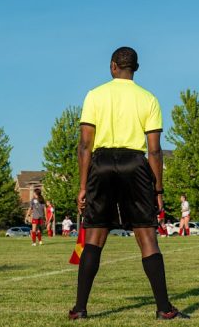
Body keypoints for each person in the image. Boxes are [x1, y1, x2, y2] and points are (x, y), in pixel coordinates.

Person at [70, 47, 187, 320]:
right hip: (135, 164)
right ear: (136, 68)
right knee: (147, 237)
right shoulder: (149, 99)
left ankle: (80, 309)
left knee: (94, 237)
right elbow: (155, 150)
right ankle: (163, 309)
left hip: (101, 163)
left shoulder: (94, 95)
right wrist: (158, 189)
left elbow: (85, 145)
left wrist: (83, 186)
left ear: (113, 66)